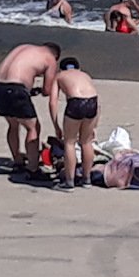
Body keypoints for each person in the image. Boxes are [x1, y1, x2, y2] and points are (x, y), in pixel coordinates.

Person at [0, 42, 62, 174]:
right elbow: (47, 90)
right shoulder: (50, 59)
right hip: (15, 88)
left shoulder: (25, 48)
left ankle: (17, 160)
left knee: (13, 124)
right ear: (56, 55)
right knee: (33, 127)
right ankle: (33, 168)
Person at [49, 56, 100, 191]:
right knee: (86, 141)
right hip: (92, 102)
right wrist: (94, 124)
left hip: (75, 103)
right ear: (78, 68)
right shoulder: (85, 75)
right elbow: (97, 100)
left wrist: (56, 125)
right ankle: (87, 179)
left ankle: (69, 181)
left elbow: (53, 102)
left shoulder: (60, 76)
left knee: (69, 142)